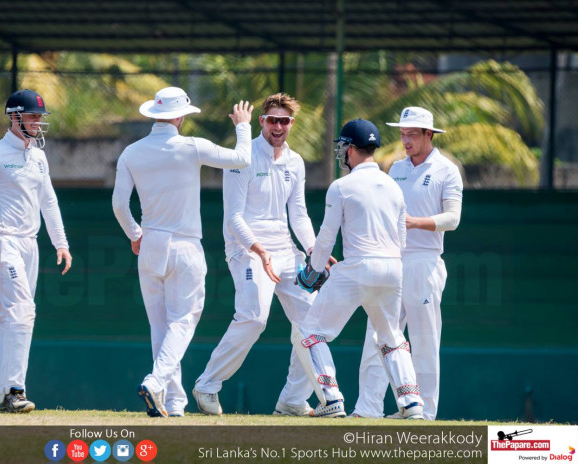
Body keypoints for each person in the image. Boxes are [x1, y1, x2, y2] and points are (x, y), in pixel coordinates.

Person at [112, 87, 253, 418]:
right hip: (185, 245)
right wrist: (243, 125)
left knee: (160, 327)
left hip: (150, 244)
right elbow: (242, 158)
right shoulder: (191, 147)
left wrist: (135, 234)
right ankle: (158, 381)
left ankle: (174, 404)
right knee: (183, 320)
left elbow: (119, 205)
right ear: (179, 116)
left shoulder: (131, 152)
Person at [193, 93, 333, 416]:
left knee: (312, 322)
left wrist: (315, 250)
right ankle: (207, 385)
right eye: (273, 120)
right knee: (254, 317)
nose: (278, 126)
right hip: (247, 249)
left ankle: (292, 400)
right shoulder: (243, 157)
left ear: (292, 124)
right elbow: (234, 218)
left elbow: (298, 214)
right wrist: (260, 251)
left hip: (286, 250)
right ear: (262, 122)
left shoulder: (295, 162)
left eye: (284, 121)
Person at [292, 119, 424, 419]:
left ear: (350, 149)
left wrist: (312, 271)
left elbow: (326, 238)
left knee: (310, 332)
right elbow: (401, 238)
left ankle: (331, 398)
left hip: (358, 267)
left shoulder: (341, 186)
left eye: (343, 147)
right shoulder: (393, 186)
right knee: (390, 336)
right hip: (393, 268)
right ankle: (411, 403)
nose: (342, 152)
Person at [352, 107, 462, 420]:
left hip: (425, 262)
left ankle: (423, 413)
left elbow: (452, 219)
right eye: (402, 133)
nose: (406, 139)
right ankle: (368, 408)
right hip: (391, 261)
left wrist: (416, 223)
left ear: (429, 134)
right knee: (378, 335)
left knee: (425, 340)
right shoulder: (396, 168)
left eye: (412, 134)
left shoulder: (446, 170)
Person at [0, 89, 72, 413]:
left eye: (40, 116)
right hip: (1, 240)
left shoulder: (38, 158)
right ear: (14, 117)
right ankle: (15, 389)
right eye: (31, 116)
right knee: (23, 310)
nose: (38, 122)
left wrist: (61, 243)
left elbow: (49, 202)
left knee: (10, 317)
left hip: (30, 244)